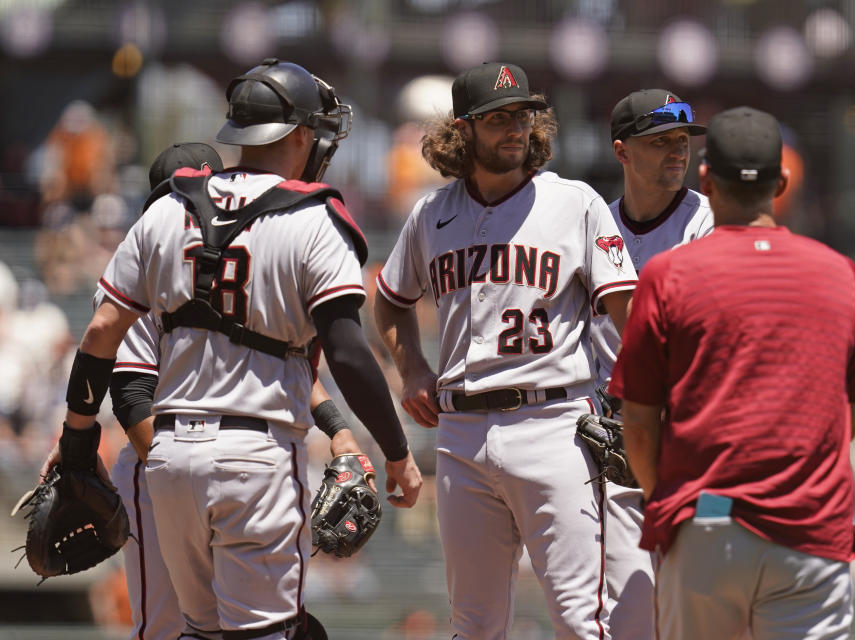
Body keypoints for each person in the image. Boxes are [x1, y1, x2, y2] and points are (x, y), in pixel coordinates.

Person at [41, 58, 422, 640]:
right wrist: (396, 451)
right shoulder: (315, 216)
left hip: (170, 462)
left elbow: (99, 335)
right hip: (255, 457)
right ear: (297, 135)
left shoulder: (167, 208)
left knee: (200, 631)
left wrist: (75, 444)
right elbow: (346, 351)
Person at [374, 61, 637, 639]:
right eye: (498, 118)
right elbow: (390, 299)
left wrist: (634, 402)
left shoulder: (575, 203)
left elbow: (630, 312)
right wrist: (412, 368)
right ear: (463, 129)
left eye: (523, 114)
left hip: (555, 421)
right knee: (473, 624)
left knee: (580, 618)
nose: (515, 128)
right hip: (462, 432)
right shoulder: (431, 213)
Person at [609, 106, 855, 640]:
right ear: (782, 182)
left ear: (705, 179)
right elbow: (853, 420)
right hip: (809, 526)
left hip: (707, 520)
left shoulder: (668, 274)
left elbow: (638, 424)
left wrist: (670, 500)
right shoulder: (842, 273)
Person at [107, 142, 376, 639]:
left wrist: (339, 429)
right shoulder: (148, 274)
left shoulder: (224, 265)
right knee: (166, 628)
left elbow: (279, 365)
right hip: (159, 473)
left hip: (205, 468)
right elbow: (130, 399)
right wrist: (185, 471)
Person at [591, 88, 711, 639]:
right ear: (622, 152)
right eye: (660, 142)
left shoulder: (706, 223)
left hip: (690, 434)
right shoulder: (592, 223)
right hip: (610, 440)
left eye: (682, 142)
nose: (676, 152)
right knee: (630, 615)